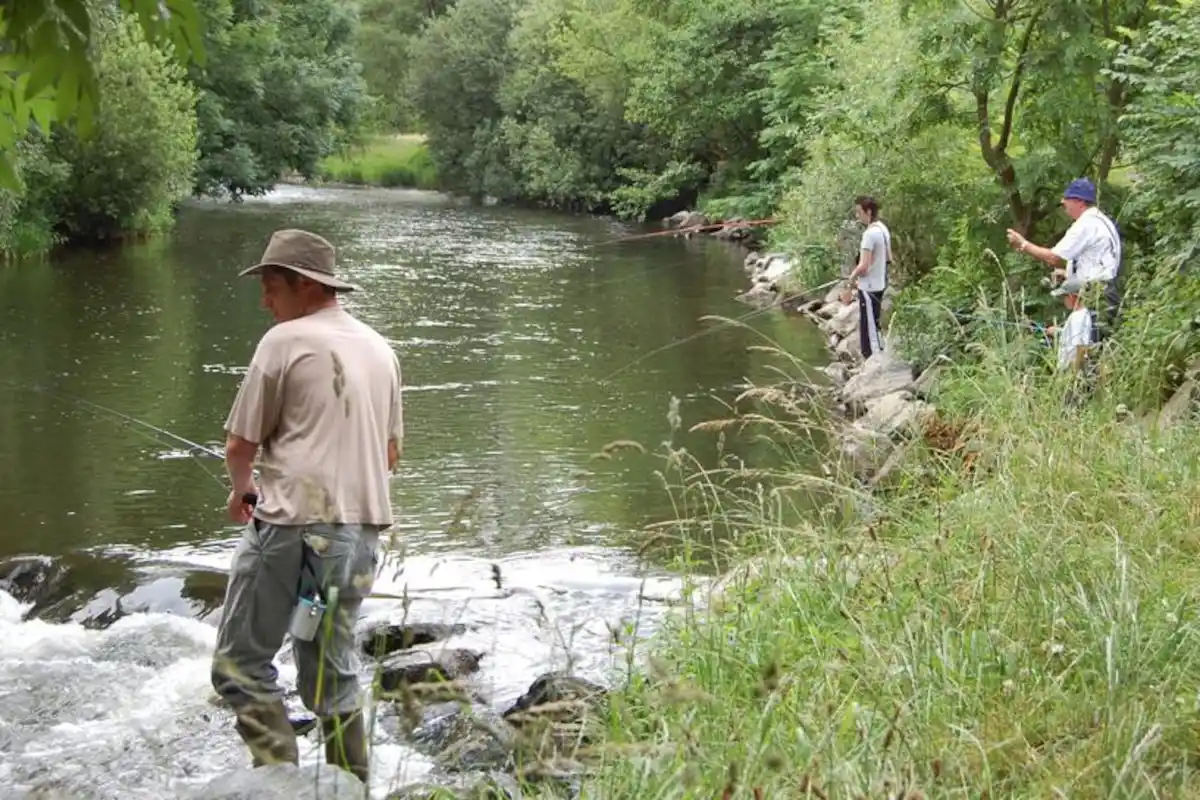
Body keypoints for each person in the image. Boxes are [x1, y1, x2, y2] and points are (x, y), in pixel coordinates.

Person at [211, 228, 404, 785]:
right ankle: (353, 788)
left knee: (240, 666)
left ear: (302, 285)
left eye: (271, 286)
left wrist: (241, 487)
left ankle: (278, 786)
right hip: (358, 535)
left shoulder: (283, 341)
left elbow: (238, 445)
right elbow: (389, 454)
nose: (264, 300)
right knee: (330, 675)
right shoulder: (381, 350)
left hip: (290, 526)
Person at [1005, 177, 1122, 335]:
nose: (1063, 201)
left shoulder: (1085, 224)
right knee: (1095, 347)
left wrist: (1023, 244)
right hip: (1106, 291)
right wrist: (1068, 273)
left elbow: (1053, 257)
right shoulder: (1101, 221)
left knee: (1086, 349)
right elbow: (1095, 259)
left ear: (1079, 202)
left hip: (1094, 294)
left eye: (1067, 198)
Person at [847, 195, 892, 359]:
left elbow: (864, 266)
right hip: (880, 284)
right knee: (875, 322)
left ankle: (874, 361)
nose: (857, 216)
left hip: (868, 287)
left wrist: (850, 279)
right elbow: (889, 258)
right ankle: (876, 355)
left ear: (869, 211)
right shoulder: (883, 229)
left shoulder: (869, 234)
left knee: (869, 328)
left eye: (859, 212)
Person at [1048, 275, 1097, 372]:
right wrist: (1059, 331)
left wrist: (1074, 374)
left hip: (1070, 370)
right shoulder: (1083, 313)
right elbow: (1075, 337)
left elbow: (1080, 346)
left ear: (1071, 296)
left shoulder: (1077, 317)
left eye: (1064, 297)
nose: (1063, 300)